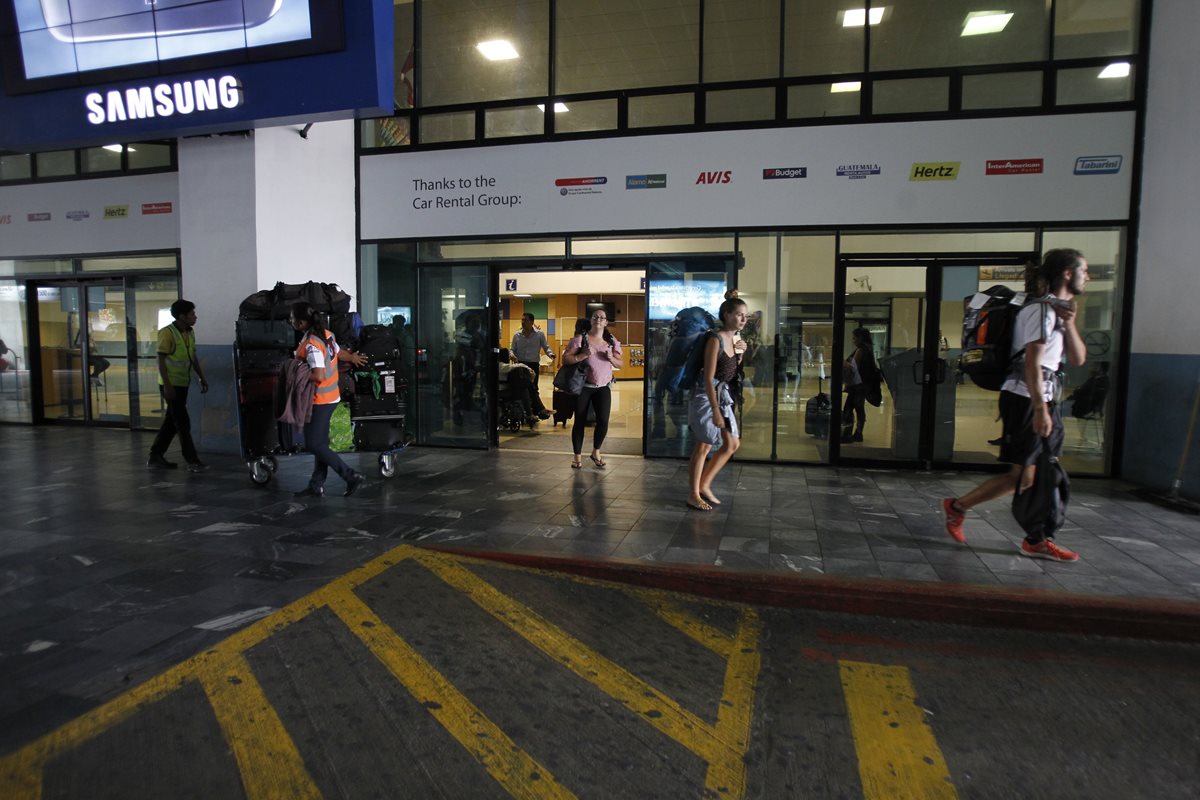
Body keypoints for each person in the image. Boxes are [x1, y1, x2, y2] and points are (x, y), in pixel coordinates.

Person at [943, 248, 1090, 561]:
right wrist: (1039, 409)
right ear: (1067, 272)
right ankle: (1031, 534)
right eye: (1084, 271)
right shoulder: (1038, 311)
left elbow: (1078, 358)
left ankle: (1031, 534)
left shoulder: (1058, 313)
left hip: (1044, 399)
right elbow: (1032, 363)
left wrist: (1071, 323)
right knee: (1025, 475)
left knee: (1032, 474)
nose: (1087, 276)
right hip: (1025, 398)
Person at [289, 302, 370, 497]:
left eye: (291, 319)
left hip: (320, 399)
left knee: (313, 444)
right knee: (321, 443)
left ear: (301, 323)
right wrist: (350, 358)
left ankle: (350, 475)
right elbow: (337, 352)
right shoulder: (326, 334)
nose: (290, 322)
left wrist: (294, 377)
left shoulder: (312, 344)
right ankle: (316, 484)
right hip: (331, 396)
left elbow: (317, 375)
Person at [686, 294, 748, 511]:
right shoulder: (716, 339)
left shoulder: (734, 341)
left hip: (722, 394)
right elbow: (708, 377)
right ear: (727, 315)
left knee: (732, 444)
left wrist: (741, 354)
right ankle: (693, 493)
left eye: (745, 316)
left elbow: (730, 372)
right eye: (739, 315)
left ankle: (704, 484)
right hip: (706, 394)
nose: (743, 319)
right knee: (704, 444)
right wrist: (715, 410)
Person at [148, 299, 209, 472]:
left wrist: (201, 377)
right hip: (171, 385)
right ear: (182, 316)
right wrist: (167, 386)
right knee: (183, 422)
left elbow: (192, 356)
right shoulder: (167, 333)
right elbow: (160, 360)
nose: (195, 317)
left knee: (171, 421)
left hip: (183, 384)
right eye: (192, 314)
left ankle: (156, 455)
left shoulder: (189, 332)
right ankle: (192, 461)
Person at [563, 308, 623, 469]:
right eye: (595, 316)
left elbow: (620, 363)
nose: (598, 319)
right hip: (583, 387)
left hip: (603, 387)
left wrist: (611, 359)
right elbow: (566, 359)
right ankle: (577, 456)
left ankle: (596, 451)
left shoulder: (610, 341)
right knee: (580, 421)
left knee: (603, 421)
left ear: (606, 322)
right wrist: (581, 355)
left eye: (602, 317)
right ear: (591, 320)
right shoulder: (581, 339)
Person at [510, 312, 555, 420]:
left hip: (533, 365)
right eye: (522, 320)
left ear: (532, 322)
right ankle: (536, 411)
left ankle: (534, 411)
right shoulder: (517, 335)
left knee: (533, 387)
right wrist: (511, 355)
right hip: (520, 364)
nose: (523, 322)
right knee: (528, 388)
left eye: (525, 320)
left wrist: (551, 354)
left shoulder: (539, 334)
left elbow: (546, 347)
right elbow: (512, 349)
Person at [841, 328, 878, 443]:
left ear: (860, 338)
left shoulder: (861, 350)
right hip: (864, 386)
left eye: (854, 338)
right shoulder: (868, 349)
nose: (853, 340)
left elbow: (853, 367)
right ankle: (858, 433)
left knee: (848, 409)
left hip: (857, 386)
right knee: (859, 409)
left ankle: (847, 435)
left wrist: (843, 362)